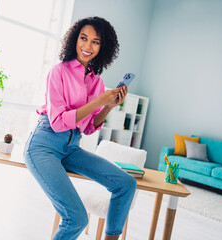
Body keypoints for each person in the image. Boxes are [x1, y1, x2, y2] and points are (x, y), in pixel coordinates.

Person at [23, 16, 137, 240]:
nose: (88, 46)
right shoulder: (59, 72)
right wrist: (98, 102)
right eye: (83, 38)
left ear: (102, 47)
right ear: (74, 39)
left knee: (126, 184)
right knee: (76, 218)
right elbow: (57, 122)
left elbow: (87, 128)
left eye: (95, 41)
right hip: (44, 145)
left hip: (72, 146)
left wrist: (108, 107)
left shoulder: (97, 82)